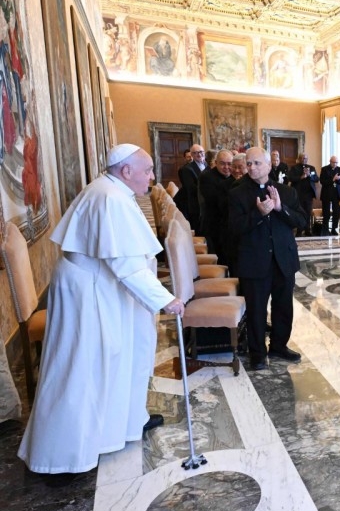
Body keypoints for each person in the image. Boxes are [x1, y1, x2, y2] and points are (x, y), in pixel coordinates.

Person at [18, 144, 185, 475]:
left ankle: (124, 422)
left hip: (100, 288)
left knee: (114, 361)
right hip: (89, 293)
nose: (153, 177)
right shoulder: (109, 198)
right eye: (148, 170)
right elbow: (126, 265)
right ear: (126, 171)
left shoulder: (112, 191)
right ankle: (59, 458)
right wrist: (165, 299)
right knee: (82, 369)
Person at [227, 147, 307, 369]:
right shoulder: (237, 193)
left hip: (283, 260)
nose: (251, 167)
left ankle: (279, 346)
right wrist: (258, 214)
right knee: (256, 309)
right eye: (249, 164)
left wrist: (281, 209)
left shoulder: (287, 192)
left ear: (269, 165)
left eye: (257, 163)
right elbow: (234, 228)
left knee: (284, 307)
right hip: (254, 261)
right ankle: (257, 353)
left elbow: (301, 221)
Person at [198, 149, 235, 263]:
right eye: (222, 163)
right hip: (214, 224)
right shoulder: (207, 176)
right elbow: (214, 201)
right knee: (221, 257)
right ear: (216, 163)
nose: (226, 167)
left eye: (229, 164)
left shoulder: (234, 176)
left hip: (229, 223)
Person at [176, 143, 206, 232]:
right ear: (192, 155)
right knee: (198, 229)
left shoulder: (208, 166)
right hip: (194, 204)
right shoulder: (187, 169)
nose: (199, 154)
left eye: (201, 152)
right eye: (196, 153)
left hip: (205, 202)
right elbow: (191, 188)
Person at [288, 153, 318, 236]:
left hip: (309, 194)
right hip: (298, 194)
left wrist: (309, 176)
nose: (304, 160)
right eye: (302, 158)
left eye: (305, 158)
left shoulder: (311, 168)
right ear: (299, 159)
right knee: (299, 212)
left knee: (308, 212)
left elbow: (316, 178)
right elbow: (290, 178)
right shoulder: (294, 168)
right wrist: (301, 177)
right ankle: (299, 230)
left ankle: (307, 229)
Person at [319, 155, 340, 235]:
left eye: (336, 162)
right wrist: (333, 179)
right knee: (326, 212)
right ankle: (325, 229)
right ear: (330, 162)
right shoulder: (324, 169)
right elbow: (322, 181)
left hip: (336, 193)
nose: (335, 164)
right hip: (326, 193)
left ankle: (334, 228)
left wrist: (339, 179)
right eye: (334, 162)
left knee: (336, 212)